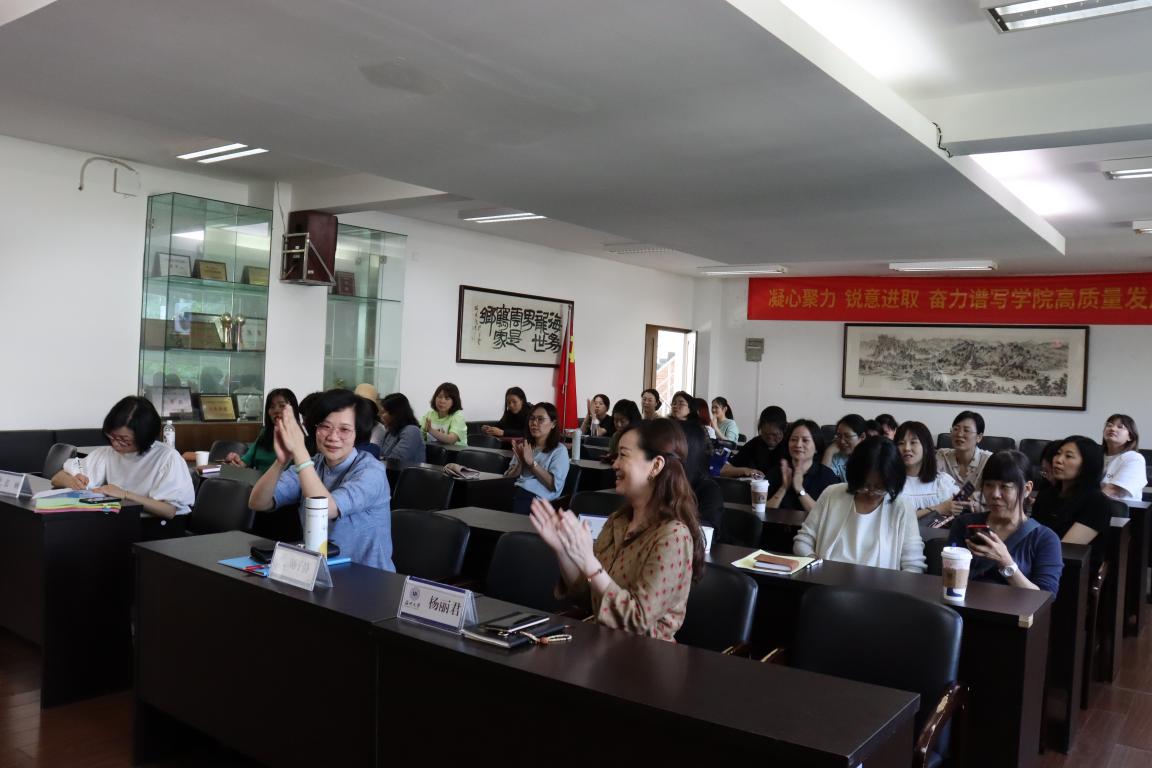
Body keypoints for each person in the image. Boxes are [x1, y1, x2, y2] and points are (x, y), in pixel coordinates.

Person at [529, 419, 705, 640]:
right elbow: (588, 596)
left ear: (656, 465)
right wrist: (563, 550)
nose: (614, 465)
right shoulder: (618, 521)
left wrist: (589, 562)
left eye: (623, 455)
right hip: (603, 642)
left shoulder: (673, 535)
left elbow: (637, 620)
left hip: (646, 653)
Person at [249, 389, 394, 570]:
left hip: (368, 576)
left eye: (344, 429)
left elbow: (326, 509)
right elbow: (258, 502)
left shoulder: (372, 471)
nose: (333, 437)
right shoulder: (313, 465)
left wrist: (299, 451)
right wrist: (281, 461)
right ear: (315, 428)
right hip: (319, 570)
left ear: (357, 433)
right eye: (325, 426)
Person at [53, 395, 195, 530]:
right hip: (121, 523)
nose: (115, 444)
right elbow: (57, 478)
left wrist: (125, 495)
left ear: (144, 436)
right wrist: (73, 482)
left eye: (123, 440)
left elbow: (168, 511)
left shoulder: (167, 457)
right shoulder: (108, 453)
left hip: (157, 528)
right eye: (112, 436)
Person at [794, 436, 925, 573]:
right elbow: (803, 540)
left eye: (880, 487)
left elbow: (914, 565)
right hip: (825, 579)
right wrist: (812, 560)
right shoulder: (832, 494)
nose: (871, 492)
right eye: (864, 485)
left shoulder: (902, 508)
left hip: (880, 585)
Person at [948, 451, 1063, 594]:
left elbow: (1045, 596)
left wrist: (1005, 562)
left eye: (1005, 487)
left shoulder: (1045, 539)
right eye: (989, 485)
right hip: (965, 606)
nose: (995, 494)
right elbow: (949, 576)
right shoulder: (964, 525)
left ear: (1027, 489)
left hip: (1016, 609)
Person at [1031, 435, 1112, 564]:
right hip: (1037, 558)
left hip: (1070, 567)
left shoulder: (1097, 502)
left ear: (1087, 464)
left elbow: (1066, 547)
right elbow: (1032, 532)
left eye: (1068, 456)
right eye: (1058, 454)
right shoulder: (1047, 493)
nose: (1058, 460)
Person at [893, 421, 962, 528]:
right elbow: (893, 520)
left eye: (913, 442)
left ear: (926, 447)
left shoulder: (942, 482)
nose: (906, 448)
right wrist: (939, 508)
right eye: (901, 443)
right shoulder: (889, 483)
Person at [506, 402, 571, 515]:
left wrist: (532, 464)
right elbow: (508, 478)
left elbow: (553, 484)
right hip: (516, 491)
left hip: (537, 499)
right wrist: (520, 463)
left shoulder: (559, 451)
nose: (534, 423)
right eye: (532, 419)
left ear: (553, 424)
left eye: (540, 419)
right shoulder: (525, 446)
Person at [765, 419, 839, 513]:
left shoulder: (826, 476)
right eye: (793, 440)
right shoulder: (777, 471)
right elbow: (763, 512)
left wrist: (799, 489)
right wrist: (783, 488)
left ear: (816, 447)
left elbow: (824, 516)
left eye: (805, 440)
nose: (798, 445)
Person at [225, 388, 300, 472]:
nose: (276, 410)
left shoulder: (299, 438)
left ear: (293, 409)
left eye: (282, 406)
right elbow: (245, 462)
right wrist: (235, 461)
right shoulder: (265, 432)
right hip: (257, 479)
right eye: (272, 407)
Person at [721, 405, 787, 479]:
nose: (770, 438)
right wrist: (745, 470)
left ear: (784, 430)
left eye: (775, 434)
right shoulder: (755, 443)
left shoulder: (789, 446)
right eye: (765, 434)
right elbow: (723, 469)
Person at [936, 410, 992, 495]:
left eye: (966, 430)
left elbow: (994, 493)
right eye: (956, 429)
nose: (959, 434)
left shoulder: (989, 461)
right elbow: (932, 488)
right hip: (946, 503)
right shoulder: (942, 455)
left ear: (979, 437)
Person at [1101, 414, 1145, 500]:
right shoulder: (1096, 455)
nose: (1112, 429)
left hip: (1120, 507)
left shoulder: (1134, 458)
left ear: (1130, 437)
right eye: (1109, 425)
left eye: (1120, 427)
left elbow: (1113, 490)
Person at [378, 392, 425, 465]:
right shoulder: (390, 431)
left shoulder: (412, 431)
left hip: (405, 472)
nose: (380, 415)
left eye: (383, 412)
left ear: (395, 414)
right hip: (389, 469)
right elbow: (379, 454)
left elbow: (395, 460)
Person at [822, 414, 867, 482]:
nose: (842, 441)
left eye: (848, 436)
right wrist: (829, 452)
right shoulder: (837, 457)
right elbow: (823, 482)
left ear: (862, 437)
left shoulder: (873, 456)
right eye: (839, 436)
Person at [354, 383, 387, 449]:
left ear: (372, 408)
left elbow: (371, 450)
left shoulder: (378, 428)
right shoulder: (349, 423)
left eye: (365, 405)